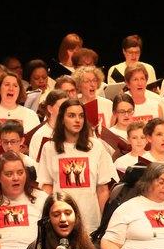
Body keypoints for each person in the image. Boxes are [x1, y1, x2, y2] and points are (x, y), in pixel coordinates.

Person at [38, 99, 117, 230]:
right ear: (62, 119)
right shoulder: (49, 148)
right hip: (61, 220)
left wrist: (104, 224)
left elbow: (102, 189)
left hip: (91, 221)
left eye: (81, 116)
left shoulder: (96, 146)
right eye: (71, 115)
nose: (77, 120)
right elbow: (47, 187)